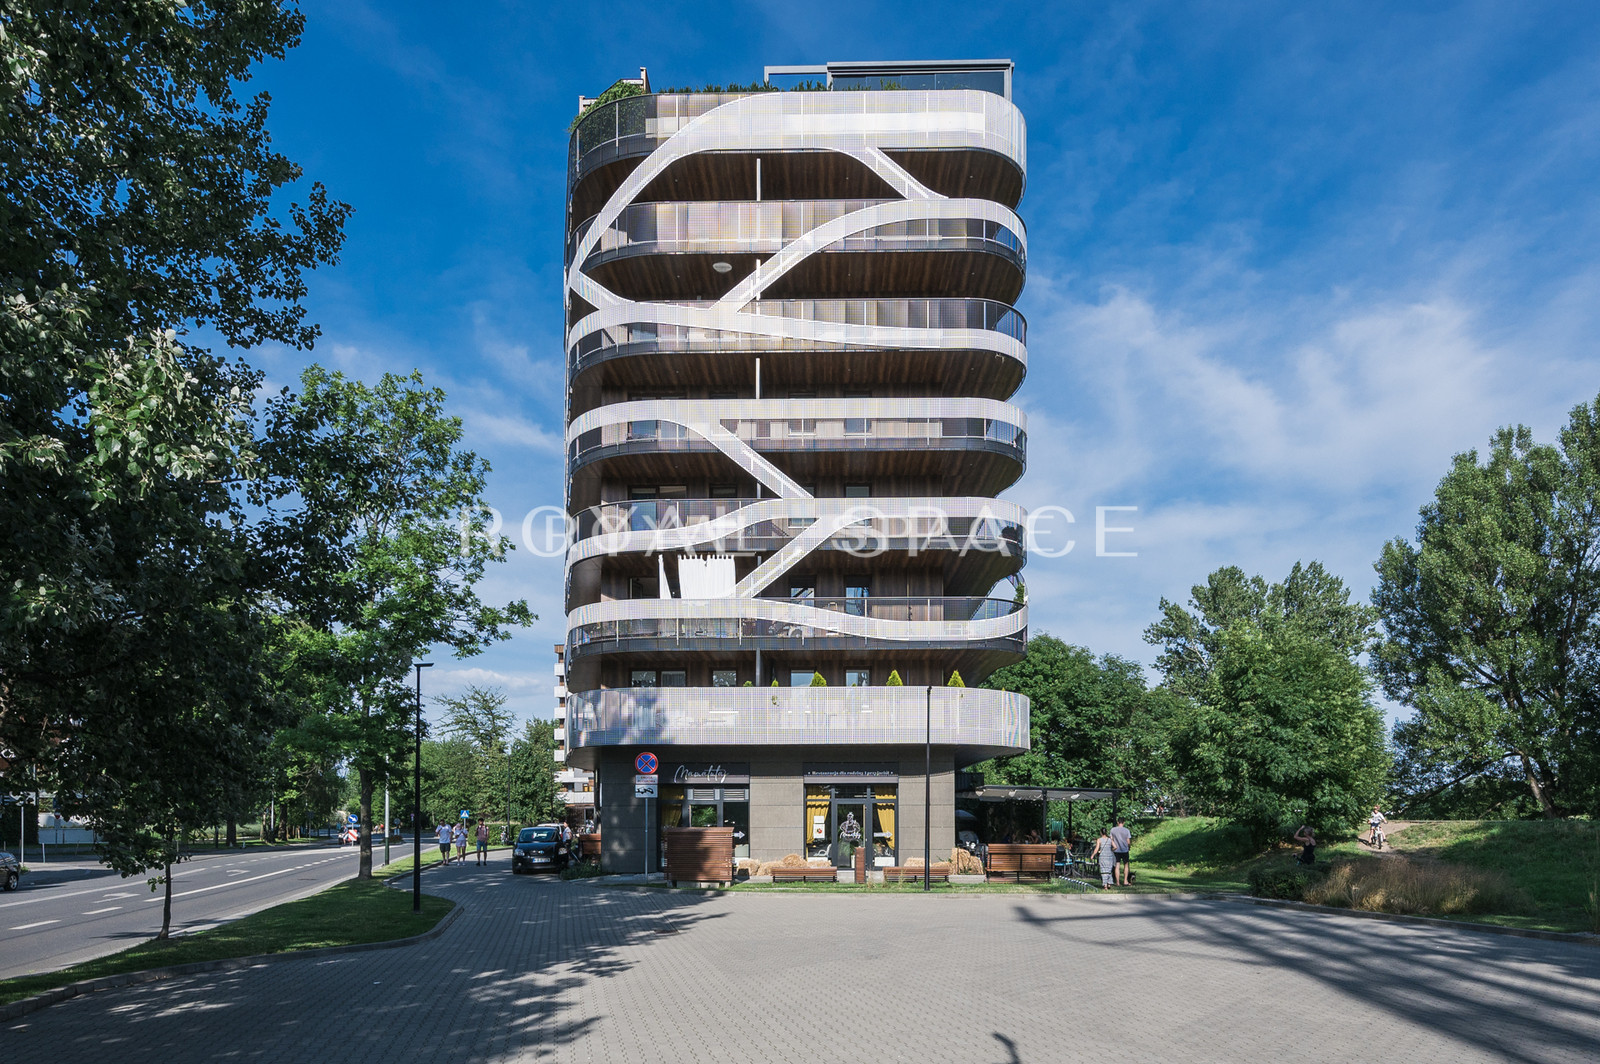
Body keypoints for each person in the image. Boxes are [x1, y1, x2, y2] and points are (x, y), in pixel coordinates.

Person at [1109, 817, 1133, 886]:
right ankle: (1125, 881)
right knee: (1126, 865)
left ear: (1117, 822)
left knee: (1117, 866)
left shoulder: (1113, 830)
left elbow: (1111, 839)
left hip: (1116, 850)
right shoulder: (1126, 830)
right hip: (1125, 850)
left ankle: (1117, 882)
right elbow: (1128, 841)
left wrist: (1112, 847)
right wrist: (1129, 847)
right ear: (1124, 822)